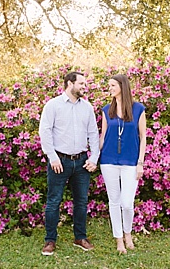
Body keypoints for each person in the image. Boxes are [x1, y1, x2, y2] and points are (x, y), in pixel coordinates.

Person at [39, 71, 100, 256]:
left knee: (81, 202)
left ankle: (80, 237)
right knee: (53, 202)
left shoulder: (87, 107)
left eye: (85, 83)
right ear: (69, 83)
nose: (84, 87)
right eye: (81, 83)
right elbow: (45, 131)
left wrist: (93, 158)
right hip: (59, 161)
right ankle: (50, 240)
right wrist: (52, 156)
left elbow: (93, 134)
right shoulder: (53, 105)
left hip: (81, 162)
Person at [99, 73, 147, 254]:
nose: (110, 88)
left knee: (127, 203)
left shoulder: (138, 109)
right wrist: (93, 156)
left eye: (112, 85)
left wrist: (140, 162)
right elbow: (103, 137)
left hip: (131, 162)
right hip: (108, 161)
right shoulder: (106, 110)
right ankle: (119, 239)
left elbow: (143, 137)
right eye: (109, 85)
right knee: (114, 201)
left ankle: (128, 233)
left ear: (122, 86)